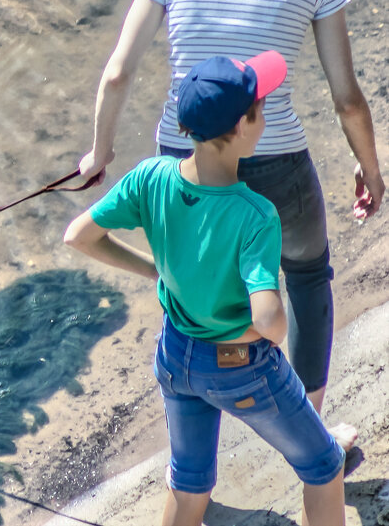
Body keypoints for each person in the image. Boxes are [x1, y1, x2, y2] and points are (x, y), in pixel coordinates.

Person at [77, 0, 384, 435]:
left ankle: (191, 458)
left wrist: (99, 153)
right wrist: (369, 167)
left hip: (182, 156)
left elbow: (117, 71)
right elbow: (345, 95)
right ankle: (311, 427)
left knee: (189, 288)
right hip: (274, 157)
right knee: (304, 275)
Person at [65, 51, 344, 526]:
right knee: (324, 466)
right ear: (240, 127)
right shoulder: (254, 214)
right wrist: (265, 318)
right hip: (242, 369)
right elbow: (270, 324)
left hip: (175, 357)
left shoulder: (149, 178)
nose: (264, 116)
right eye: (259, 109)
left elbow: (79, 236)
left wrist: (156, 270)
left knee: (190, 481)